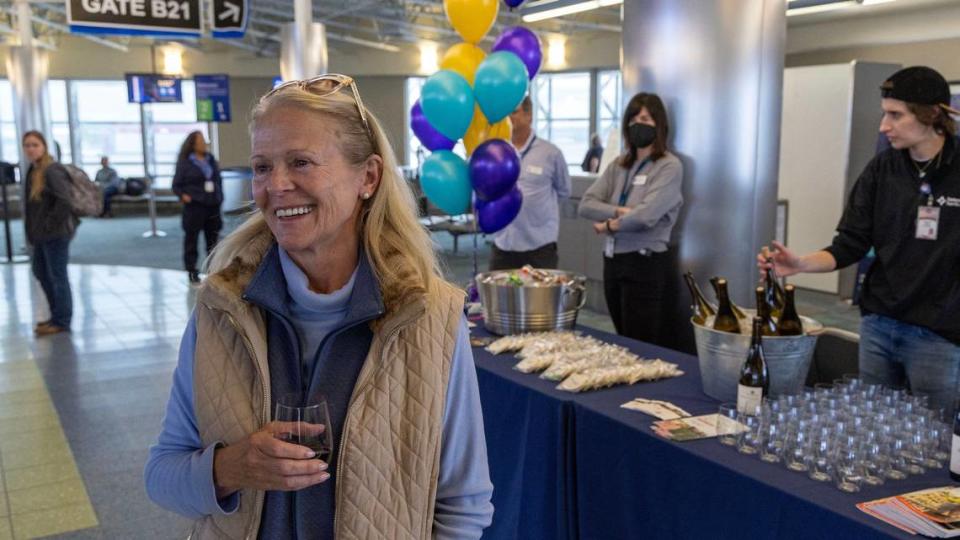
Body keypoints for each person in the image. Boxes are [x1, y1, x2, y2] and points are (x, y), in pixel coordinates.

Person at [144, 74, 494, 539]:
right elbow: (162, 476)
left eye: (301, 162)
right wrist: (228, 468)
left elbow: (462, 505)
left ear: (367, 177)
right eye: (262, 167)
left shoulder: (431, 317)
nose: (277, 186)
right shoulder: (221, 309)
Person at [759, 66, 960, 415]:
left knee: (936, 440)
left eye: (896, 115)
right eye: (885, 113)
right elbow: (850, 243)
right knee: (873, 427)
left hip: (939, 334)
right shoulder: (882, 170)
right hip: (879, 324)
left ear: (932, 115)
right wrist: (801, 264)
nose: (884, 126)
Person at [578, 93, 684, 345]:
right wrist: (618, 212)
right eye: (634, 118)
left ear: (659, 124)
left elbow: (646, 217)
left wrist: (608, 225)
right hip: (614, 261)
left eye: (646, 118)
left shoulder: (668, 166)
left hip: (645, 263)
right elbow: (586, 204)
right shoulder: (619, 165)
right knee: (622, 338)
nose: (639, 123)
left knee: (642, 343)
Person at [488, 96, 571, 270]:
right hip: (504, 243)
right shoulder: (495, 151)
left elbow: (564, 191)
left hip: (539, 246)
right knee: (499, 297)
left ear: (529, 116)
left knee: (541, 298)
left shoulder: (550, 153)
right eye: (505, 114)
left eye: (514, 112)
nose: (508, 118)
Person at [22, 131, 78, 336]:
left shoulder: (51, 170)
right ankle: (56, 316)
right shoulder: (33, 170)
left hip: (55, 234)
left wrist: (48, 225)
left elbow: (64, 200)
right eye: (27, 145)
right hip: (41, 235)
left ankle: (62, 320)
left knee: (57, 276)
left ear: (44, 146)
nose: (30, 149)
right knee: (41, 271)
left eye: (35, 145)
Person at [172, 131, 223, 284]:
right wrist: (184, 196)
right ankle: (191, 270)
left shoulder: (211, 159)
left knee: (213, 240)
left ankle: (213, 269)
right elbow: (176, 185)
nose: (204, 143)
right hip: (194, 207)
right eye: (200, 141)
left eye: (204, 140)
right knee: (191, 240)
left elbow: (217, 180)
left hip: (212, 205)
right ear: (193, 144)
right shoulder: (185, 162)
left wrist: (220, 197)